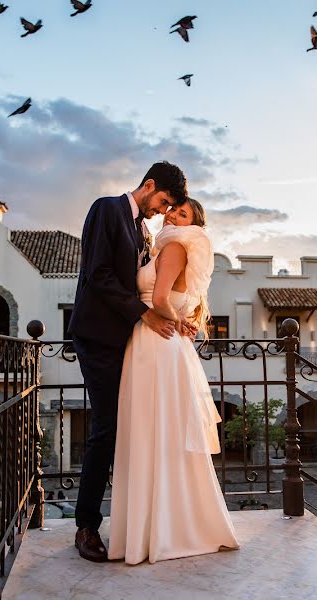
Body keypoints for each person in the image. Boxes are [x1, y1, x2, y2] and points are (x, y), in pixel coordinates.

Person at [108, 199, 239, 564]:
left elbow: (162, 297)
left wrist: (174, 321)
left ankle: (159, 531)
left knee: (153, 430)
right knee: (161, 430)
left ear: (194, 226)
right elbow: (177, 301)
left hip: (156, 341)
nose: (172, 216)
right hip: (163, 342)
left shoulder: (175, 247)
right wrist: (180, 321)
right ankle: (167, 526)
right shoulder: (165, 249)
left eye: (182, 214)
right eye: (173, 210)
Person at [68, 161, 187, 562]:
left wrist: (174, 316)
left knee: (133, 429)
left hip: (129, 343)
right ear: (149, 185)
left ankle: (134, 522)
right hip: (98, 338)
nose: (162, 210)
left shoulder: (143, 231)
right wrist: (144, 315)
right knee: (106, 429)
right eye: (163, 201)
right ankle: (86, 526)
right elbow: (98, 275)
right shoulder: (107, 209)